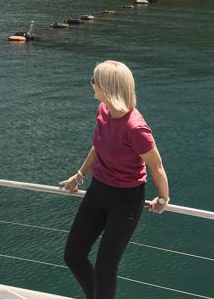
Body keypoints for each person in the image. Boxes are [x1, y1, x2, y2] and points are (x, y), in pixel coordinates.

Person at [60, 61, 170, 299]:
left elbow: (157, 166)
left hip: (126, 200)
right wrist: (79, 175)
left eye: (94, 81)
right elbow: (98, 146)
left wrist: (163, 198)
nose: (91, 84)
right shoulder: (103, 110)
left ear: (107, 87)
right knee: (73, 255)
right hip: (98, 191)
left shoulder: (136, 128)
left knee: (105, 269)